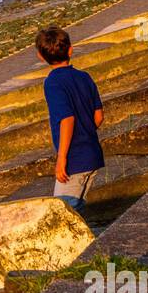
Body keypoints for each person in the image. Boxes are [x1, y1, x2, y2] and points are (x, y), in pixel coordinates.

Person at [36, 26, 104, 211]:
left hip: (75, 160)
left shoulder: (53, 83)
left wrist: (62, 158)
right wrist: (85, 132)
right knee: (77, 211)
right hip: (93, 154)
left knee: (62, 213)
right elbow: (98, 116)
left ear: (40, 56)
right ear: (71, 49)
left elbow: (67, 119)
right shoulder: (84, 77)